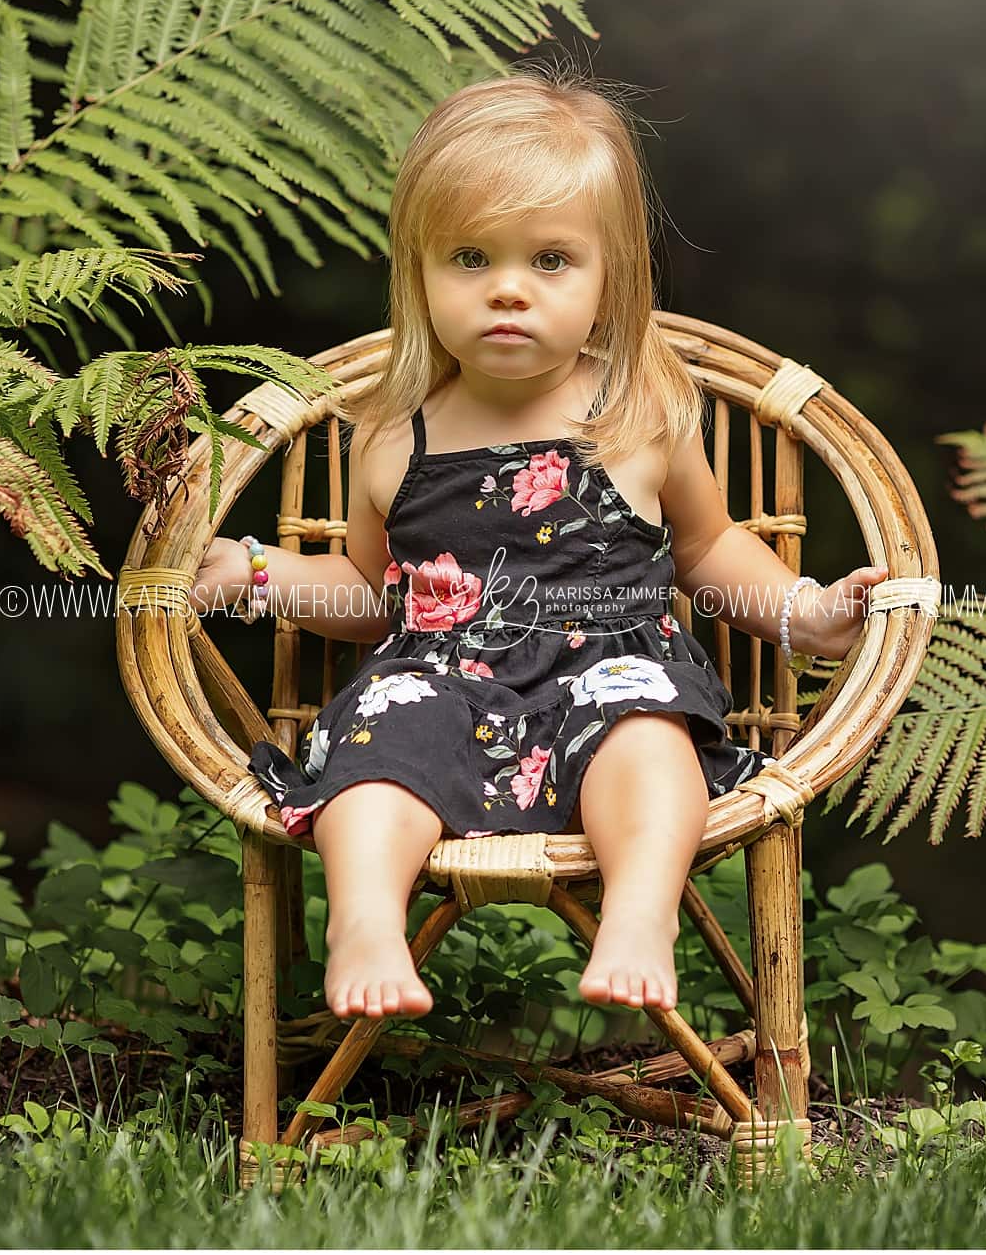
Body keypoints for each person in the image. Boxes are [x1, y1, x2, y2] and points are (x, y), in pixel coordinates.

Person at [190, 64, 886, 1026]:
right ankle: (364, 921)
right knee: (371, 754)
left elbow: (712, 549)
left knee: (651, 740)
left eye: (550, 261)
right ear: (419, 272)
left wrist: (803, 616)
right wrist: (258, 575)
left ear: (610, 277)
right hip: (441, 679)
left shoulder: (641, 410)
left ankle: (639, 916)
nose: (508, 291)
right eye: (470, 259)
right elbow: (366, 596)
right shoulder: (396, 434)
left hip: (610, 670)